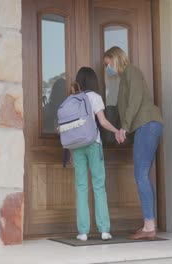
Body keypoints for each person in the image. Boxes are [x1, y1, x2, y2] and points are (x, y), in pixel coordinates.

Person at [103, 46, 163, 240]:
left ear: (115, 59)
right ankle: (149, 224)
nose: (107, 69)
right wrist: (123, 131)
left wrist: (125, 127)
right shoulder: (124, 79)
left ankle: (149, 226)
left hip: (147, 125)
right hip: (145, 127)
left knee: (141, 175)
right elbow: (126, 107)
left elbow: (135, 100)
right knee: (143, 175)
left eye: (107, 64)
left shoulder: (132, 71)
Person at [68, 67, 121, 241]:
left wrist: (69, 152)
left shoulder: (72, 98)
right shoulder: (95, 98)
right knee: (99, 186)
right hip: (93, 144)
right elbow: (103, 122)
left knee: (81, 187)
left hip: (76, 146)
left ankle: (83, 232)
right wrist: (117, 131)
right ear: (93, 81)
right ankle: (104, 230)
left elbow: (69, 128)